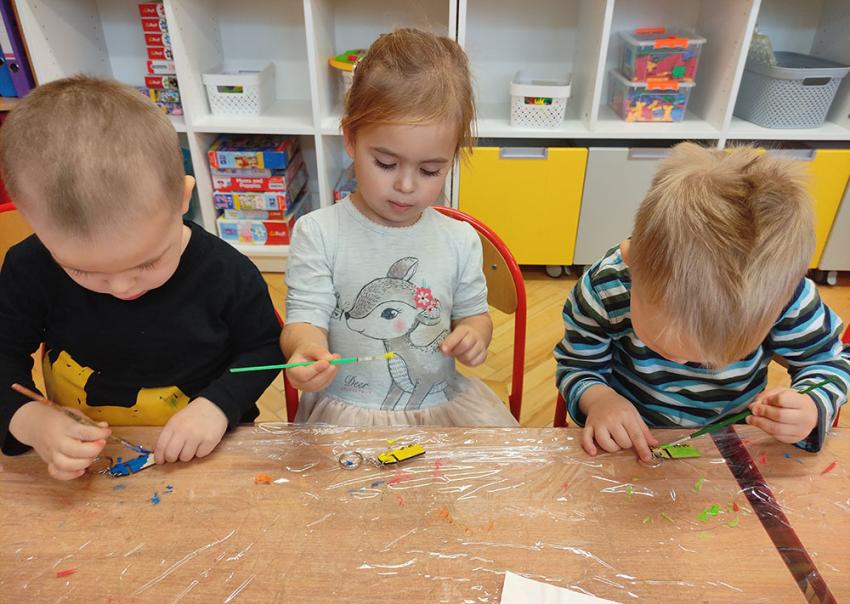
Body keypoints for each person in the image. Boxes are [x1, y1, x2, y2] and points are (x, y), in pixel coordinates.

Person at [0, 76, 283, 479]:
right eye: (82, 270)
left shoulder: (227, 273)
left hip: (207, 450)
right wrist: (27, 418)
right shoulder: (29, 268)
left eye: (147, 263)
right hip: (83, 461)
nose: (121, 287)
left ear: (183, 198)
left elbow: (265, 348)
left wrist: (219, 405)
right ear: (36, 227)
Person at [555, 142, 850, 461]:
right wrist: (599, 399)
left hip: (730, 442)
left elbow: (831, 362)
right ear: (632, 263)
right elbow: (577, 366)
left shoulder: (785, 298)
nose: (681, 363)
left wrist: (811, 405)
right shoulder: (604, 289)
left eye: (712, 356)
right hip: (629, 439)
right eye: (660, 345)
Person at [282, 28, 517, 427]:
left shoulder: (459, 239)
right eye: (386, 164)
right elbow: (304, 319)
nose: (406, 186)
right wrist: (305, 348)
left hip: (438, 407)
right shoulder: (318, 233)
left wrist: (475, 336)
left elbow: (474, 316)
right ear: (351, 138)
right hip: (345, 415)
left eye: (430, 170)